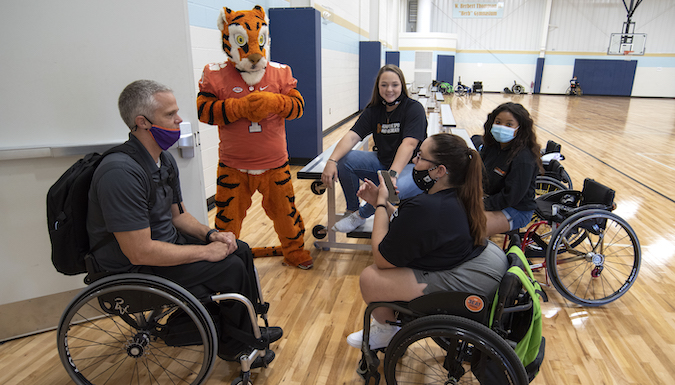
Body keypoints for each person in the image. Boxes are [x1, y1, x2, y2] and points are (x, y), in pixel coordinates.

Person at [87, 80, 282, 366]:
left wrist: (213, 235)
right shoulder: (120, 173)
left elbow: (178, 216)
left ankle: (248, 328)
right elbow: (138, 251)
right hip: (137, 267)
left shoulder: (162, 160)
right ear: (142, 122)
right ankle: (234, 345)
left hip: (163, 250)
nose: (179, 120)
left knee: (238, 248)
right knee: (228, 267)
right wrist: (204, 252)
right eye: (170, 114)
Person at [345, 133, 508, 350]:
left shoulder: (427, 207)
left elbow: (382, 257)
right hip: (486, 262)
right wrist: (379, 202)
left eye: (421, 157)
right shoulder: (461, 193)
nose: (414, 161)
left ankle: (387, 331)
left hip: (473, 278)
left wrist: (383, 204)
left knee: (370, 278)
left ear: (440, 171)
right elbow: (413, 225)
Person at [321, 64, 427, 233]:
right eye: (384, 85)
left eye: (395, 85)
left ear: (402, 86)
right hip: (382, 162)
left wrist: (392, 175)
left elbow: (409, 144)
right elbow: (352, 135)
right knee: (344, 160)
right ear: (378, 87)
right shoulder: (374, 111)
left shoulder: (414, 108)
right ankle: (352, 209)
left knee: (392, 189)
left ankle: (360, 216)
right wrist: (331, 161)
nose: (389, 89)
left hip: (411, 167)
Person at [479, 102, 543, 236]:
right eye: (498, 122)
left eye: (509, 124)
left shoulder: (523, 158)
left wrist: (480, 203)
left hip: (516, 209)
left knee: (471, 225)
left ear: (519, 128)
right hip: (491, 200)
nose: (502, 127)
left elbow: (511, 197)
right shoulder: (491, 147)